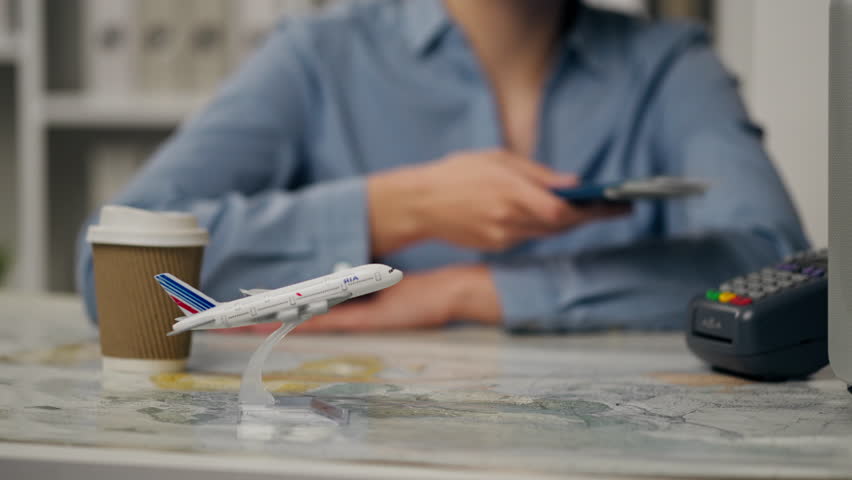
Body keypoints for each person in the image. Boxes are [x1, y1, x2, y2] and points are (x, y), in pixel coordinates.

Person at [76, 0, 807, 334]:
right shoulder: (316, 58)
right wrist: (397, 209)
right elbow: (110, 272)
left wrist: (469, 290)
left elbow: (781, 269)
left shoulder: (670, 66)